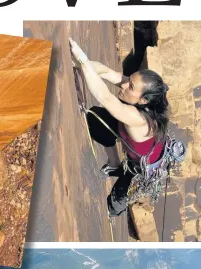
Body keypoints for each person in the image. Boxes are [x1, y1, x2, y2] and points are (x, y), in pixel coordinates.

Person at [69, 38, 170, 217]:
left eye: (130, 86)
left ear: (143, 100)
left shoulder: (139, 118)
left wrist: (83, 60)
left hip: (139, 166)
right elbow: (107, 72)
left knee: (117, 199)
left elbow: (105, 97)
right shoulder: (140, 96)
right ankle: (114, 163)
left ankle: (113, 210)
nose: (124, 85)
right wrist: (79, 65)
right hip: (129, 137)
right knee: (96, 118)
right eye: (129, 80)